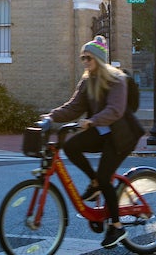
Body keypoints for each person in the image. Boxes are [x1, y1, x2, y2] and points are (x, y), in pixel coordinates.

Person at [45, 35, 143, 250]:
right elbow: (73, 107)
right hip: (101, 131)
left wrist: (92, 120)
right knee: (71, 146)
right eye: (82, 58)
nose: (85, 62)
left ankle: (117, 226)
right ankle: (95, 183)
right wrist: (50, 117)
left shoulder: (117, 79)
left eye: (88, 58)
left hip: (122, 136)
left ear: (98, 59)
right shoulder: (87, 81)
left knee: (105, 177)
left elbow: (115, 110)